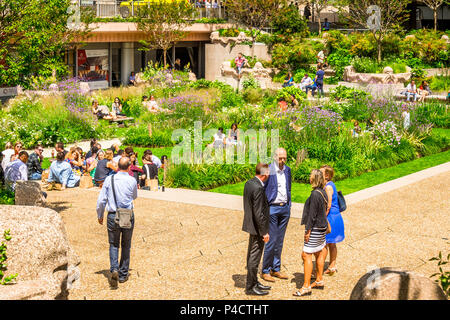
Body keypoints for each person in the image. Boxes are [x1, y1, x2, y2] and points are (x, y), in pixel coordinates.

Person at [96, 157, 138, 286]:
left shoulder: (110, 179)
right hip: (127, 214)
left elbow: (101, 200)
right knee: (126, 244)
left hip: (113, 214)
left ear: (118, 166)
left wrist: (100, 214)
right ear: (129, 166)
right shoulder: (132, 180)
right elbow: (134, 196)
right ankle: (123, 274)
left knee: (114, 244)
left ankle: (114, 268)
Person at [294, 169, 329, 297]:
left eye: (311, 176)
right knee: (319, 251)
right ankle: (319, 280)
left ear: (314, 179)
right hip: (321, 228)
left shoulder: (315, 194)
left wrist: (307, 231)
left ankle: (306, 286)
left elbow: (312, 215)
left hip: (314, 229)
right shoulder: (323, 192)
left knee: (306, 254)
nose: (309, 178)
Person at [261, 148, 291, 283]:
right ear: (274, 157)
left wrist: (289, 205)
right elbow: (259, 188)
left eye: (284, 158)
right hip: (272, 208)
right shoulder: (266, 169)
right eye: (280, 158)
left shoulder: (288, 170)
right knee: (271, 240)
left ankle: (276, 268)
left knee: (279, 240)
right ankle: (265, 270)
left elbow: (288, 187)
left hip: (284, 208)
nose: (282, 161)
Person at [242, 163, 271, 296]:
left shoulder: (249, 183)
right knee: (254, 258)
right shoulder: (259, 188)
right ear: (265, 174)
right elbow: (259, 213)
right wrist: (264, 232)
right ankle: (250, 286)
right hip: (257, 228)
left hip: (251, 225)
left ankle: (255, 282)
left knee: (252, 255)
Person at [320, 165, 345, 276]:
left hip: (330, 217)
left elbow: (328, 204)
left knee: (325, 243)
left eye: (321, 173)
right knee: (331, 243)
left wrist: (322, 216)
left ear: (327, 175)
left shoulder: (328, 187)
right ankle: (332, 266)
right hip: (335, 216)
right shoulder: (329, 185)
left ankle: (321, 269)